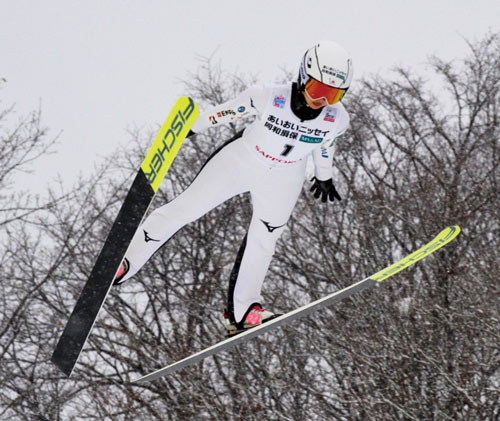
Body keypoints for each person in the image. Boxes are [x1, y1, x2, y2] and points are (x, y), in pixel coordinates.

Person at [114, 41, 353, 335]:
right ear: (304, 76)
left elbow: (326, 143)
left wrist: (324, 175)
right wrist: (188, 129)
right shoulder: (267, 97)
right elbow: (221, 114)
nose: (323, 101)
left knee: (266, 237)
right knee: (186, 209)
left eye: (334, 95)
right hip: (243, 160)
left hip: (286, 176)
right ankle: (125, 262)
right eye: (319, 90)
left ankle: (243, 311)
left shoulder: (337, 118)